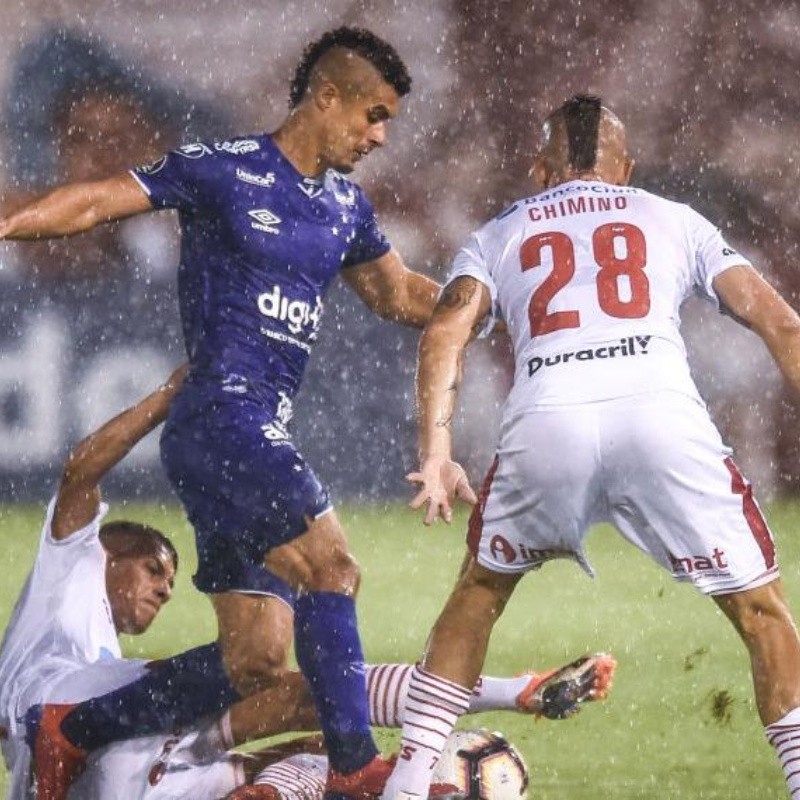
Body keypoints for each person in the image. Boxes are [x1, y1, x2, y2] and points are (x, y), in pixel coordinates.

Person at [380, 94, 800, 800]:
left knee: (479, 592)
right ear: (626, 169)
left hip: (550, 417)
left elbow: (445, 332)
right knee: (762, 613)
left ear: (540, 169)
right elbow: (782, 324)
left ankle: (409, 782)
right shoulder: (673, 218)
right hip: (661, 421)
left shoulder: (502, 230)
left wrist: (437, 450)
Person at [0, 362, 614, 799]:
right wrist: (169, 395)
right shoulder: (65, 581)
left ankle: (438, 758)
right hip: (83, 727)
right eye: (153, 567)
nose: (165, 587)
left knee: (327, 731)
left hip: (148, 756)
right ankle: (510, 696)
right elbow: (81, 469)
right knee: (290, 678)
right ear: (104, 553)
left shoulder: (108, 660)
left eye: (169, 577)